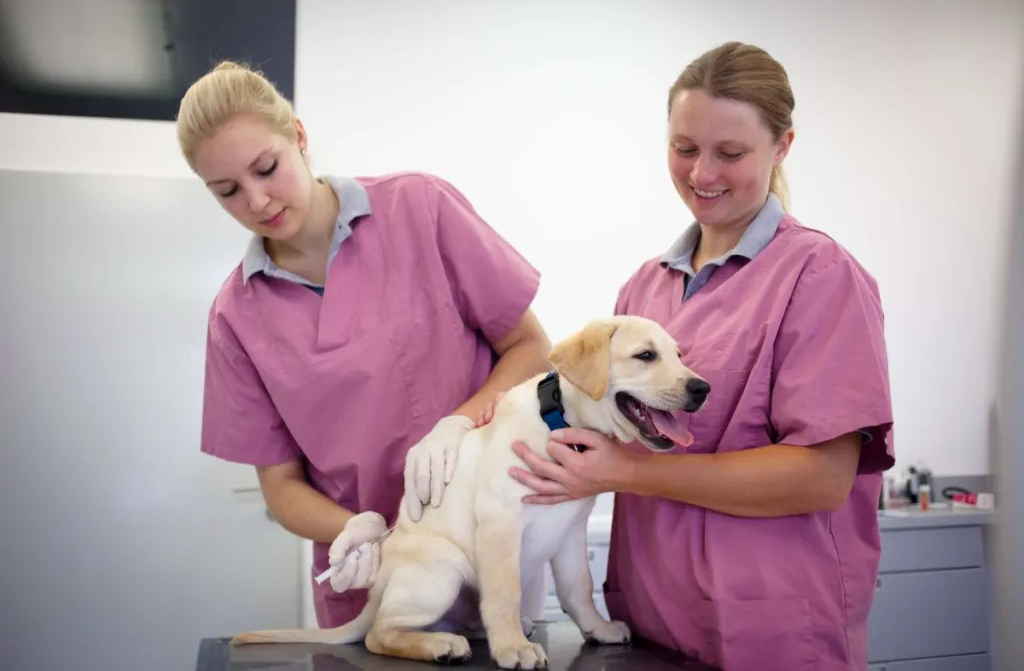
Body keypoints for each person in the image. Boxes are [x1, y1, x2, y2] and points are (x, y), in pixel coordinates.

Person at [497, 42, 895, 671]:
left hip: (768, 627)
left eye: (730, 154)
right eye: (684, 149)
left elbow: (821, 477)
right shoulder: (644, 290)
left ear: (783, 146)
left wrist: (627, 474)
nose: (702, 174)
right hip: (649, 621)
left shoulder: (820, 276)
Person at [176, 61, 553, 629]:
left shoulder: (419, 210)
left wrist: (458, 425)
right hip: (373, 577)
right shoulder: (235, 319)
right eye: (228, 191)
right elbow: (281, 487)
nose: (257, 201)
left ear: (298, 137)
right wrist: (356, 529)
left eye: (266, 168)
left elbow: (530, 346)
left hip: (489, 542)